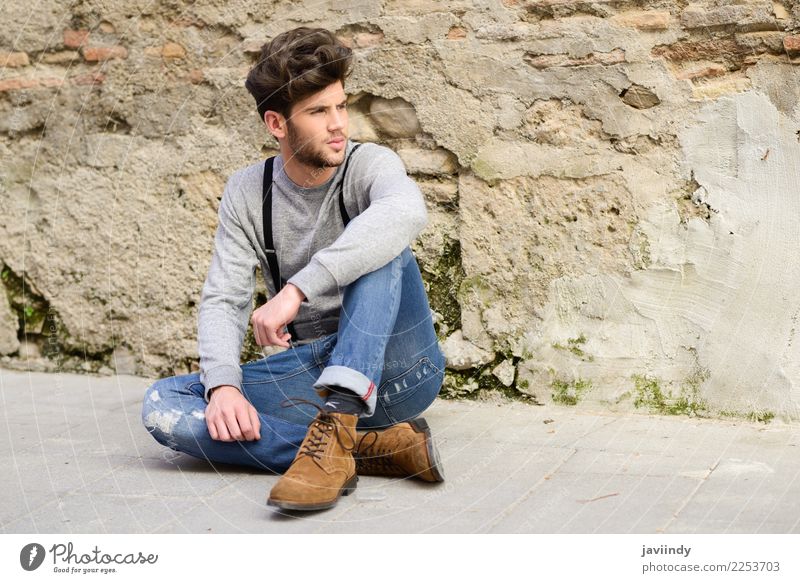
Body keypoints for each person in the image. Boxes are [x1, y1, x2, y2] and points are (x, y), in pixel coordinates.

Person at [141, 26, 446, 512]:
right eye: (319, 112)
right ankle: (359, 449)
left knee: (382, 241)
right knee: (165, 405)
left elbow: (406, 212)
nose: (338, 124)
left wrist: (297, 291)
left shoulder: (369, 165)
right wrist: (222, 387)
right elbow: (224, 298)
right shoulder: (246, 192)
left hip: (401, 368)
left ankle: (339, 424)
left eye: (341, 106)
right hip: (315, 373)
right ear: (277, 124)